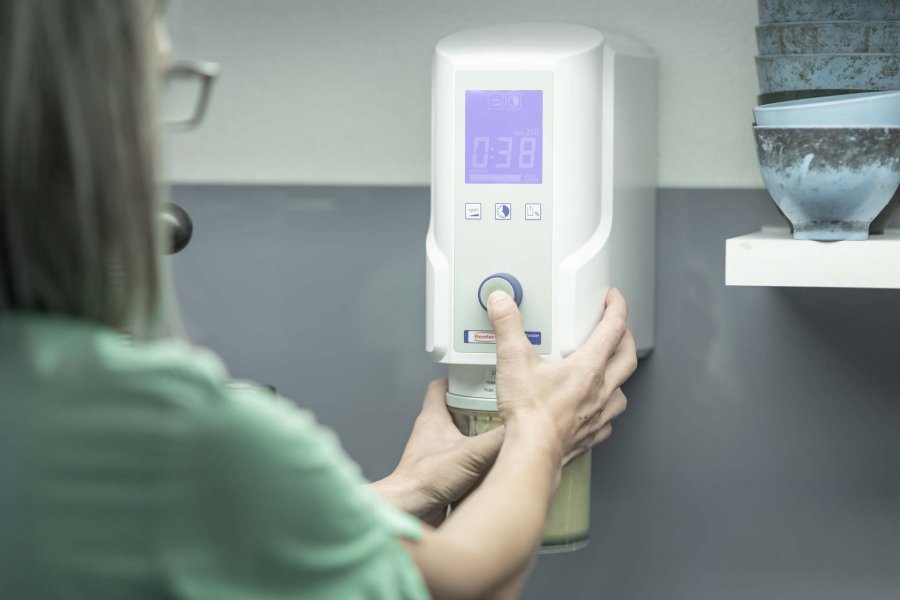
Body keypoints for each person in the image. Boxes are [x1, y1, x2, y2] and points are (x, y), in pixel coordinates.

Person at [0, 1, 636, 598]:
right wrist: (542, 431)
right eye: (157, 85)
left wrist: (411, 486)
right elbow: (460, 586)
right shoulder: (163, 430)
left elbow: (222, 537)